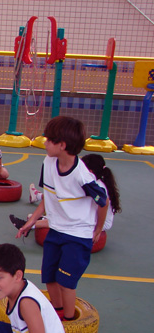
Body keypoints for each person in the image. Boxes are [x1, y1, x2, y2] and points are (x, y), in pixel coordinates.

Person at [12, 116, 108, 321]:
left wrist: (98, 229)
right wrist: (32, 222)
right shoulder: (48, 163)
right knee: (49, 276)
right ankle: (57, 311)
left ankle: (70, 321)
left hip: (77, 235)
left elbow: (103, 201)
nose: (44, 142)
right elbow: (48, 196)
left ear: (62, 145)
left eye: (48, 139)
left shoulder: (82, 176)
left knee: (66, 281)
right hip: (56, 230)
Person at [12, 153, 120, 234]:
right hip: (93, 216)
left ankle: (31, 225)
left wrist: (98, 230)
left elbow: (103, 205)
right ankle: (38, 203)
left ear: (90, 172)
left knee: (64, 218)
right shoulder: (95, 182)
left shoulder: (95, 186)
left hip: (99, 222)